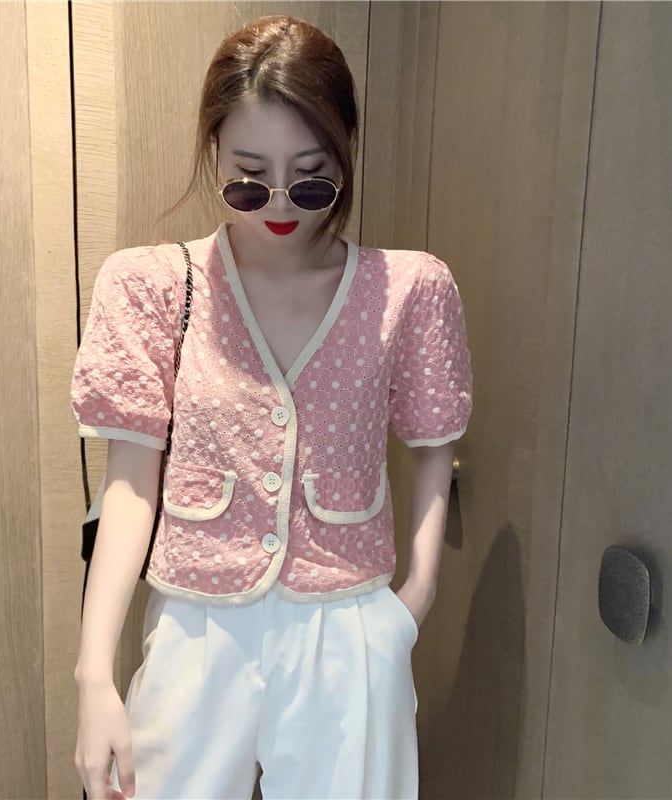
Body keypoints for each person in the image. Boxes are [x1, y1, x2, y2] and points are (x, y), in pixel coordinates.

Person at [71, 15, 472, 800]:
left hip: (349, 624)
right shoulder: (153, 287)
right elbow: (129, 484)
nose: (280, 204)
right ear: (214, 151)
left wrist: (412, 603)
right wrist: (94, 674)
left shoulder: (409, 289)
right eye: (249, 178)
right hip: (197, 622)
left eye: (312, 178)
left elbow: (433, 446)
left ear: (346, 151)